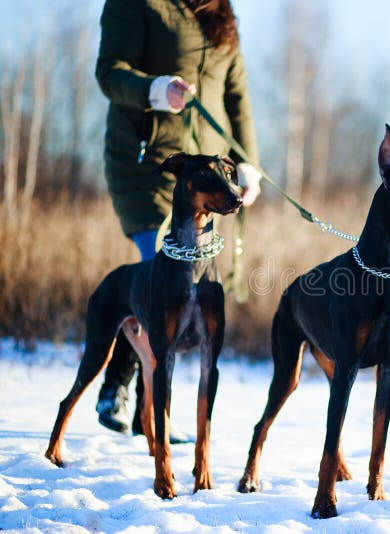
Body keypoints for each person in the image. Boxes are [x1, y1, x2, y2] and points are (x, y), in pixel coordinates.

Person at [94, 0, 261, 441]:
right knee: (160, 275)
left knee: (185, 286)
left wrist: (248, 167)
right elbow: (110, 71)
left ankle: (145, 411)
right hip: (151, 165)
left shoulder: (222, 14)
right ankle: (123, 393)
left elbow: (237, 99)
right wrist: (155, 88)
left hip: (212, 183)